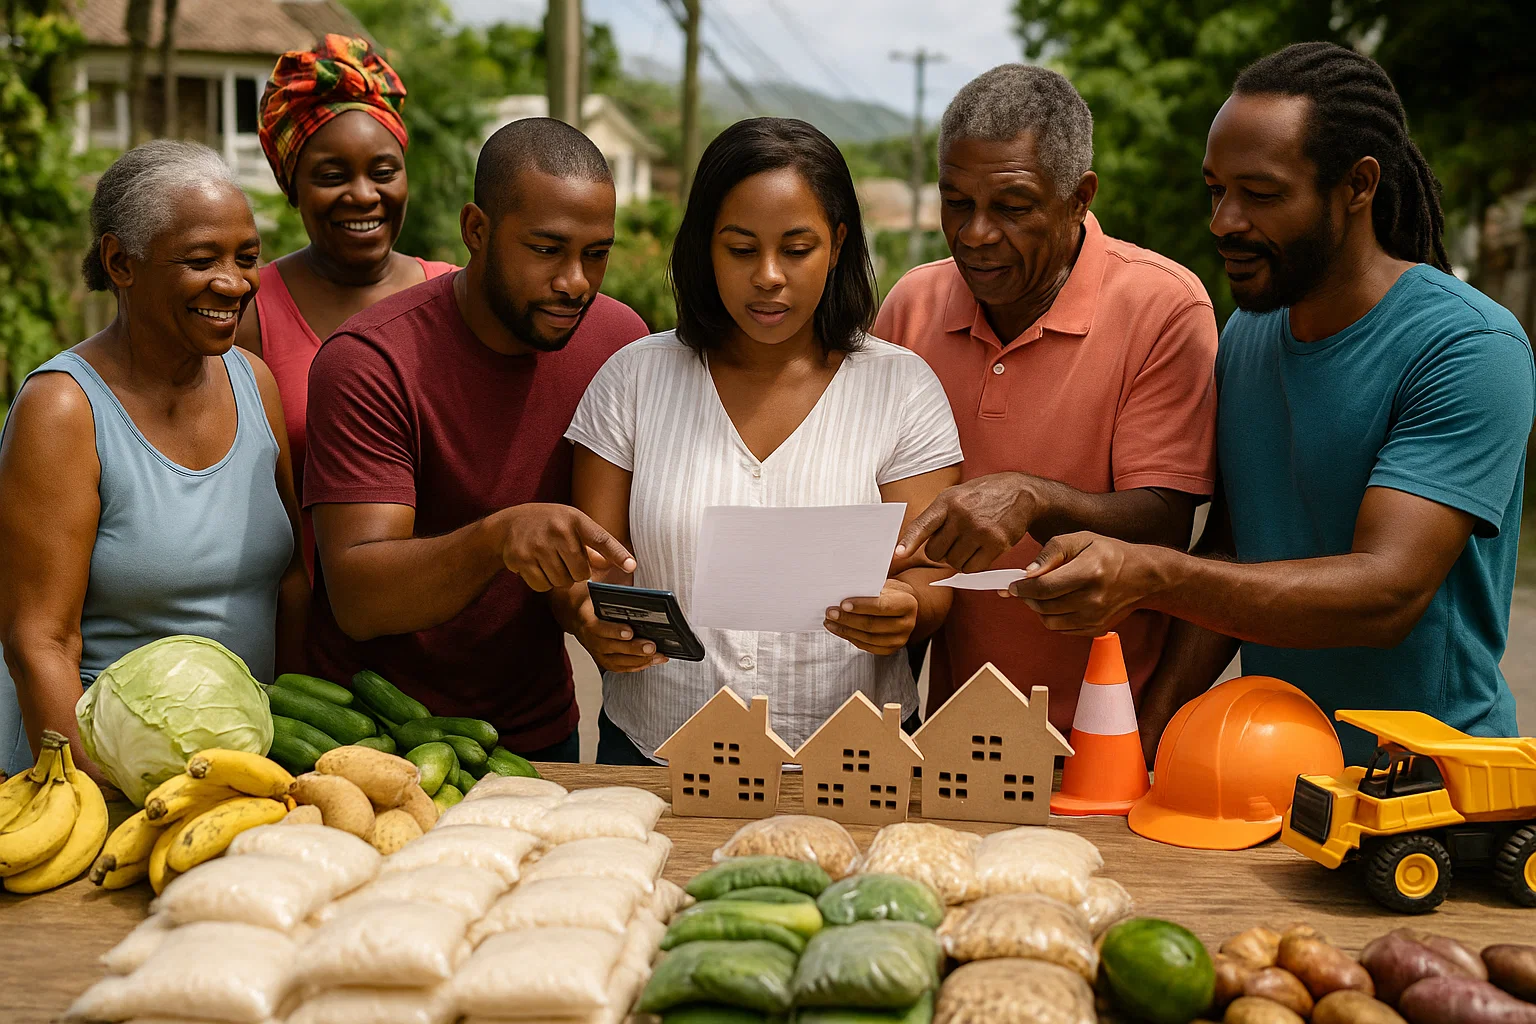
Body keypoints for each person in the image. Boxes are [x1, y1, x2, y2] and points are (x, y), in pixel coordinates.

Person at [1005, 43, 1535, 763]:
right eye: (1215, 189)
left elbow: (1386, 593)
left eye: (1260, 194)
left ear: (1358, 185)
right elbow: (1232, 554)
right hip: (1272, 773)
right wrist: (1146, 743)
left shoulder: (1469, 346)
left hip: (1430, 788)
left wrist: (1149, 573)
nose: (1223, 221)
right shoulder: (1248, 335)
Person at [560, 117, 964, 764]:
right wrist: (590, 620)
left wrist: (908, 607)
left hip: (851, 764)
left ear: (836, 244)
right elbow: (590, 568)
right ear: (704, 248)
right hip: (655, 752)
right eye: (741, 249)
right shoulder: (632, 380)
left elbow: (932, 578)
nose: (769, 276)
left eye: (797, 249)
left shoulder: (903, 389)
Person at [876, 65, 1220, 735]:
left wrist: (1036, 498)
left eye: (1011, 206)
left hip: (1108, 734)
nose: (975, 233)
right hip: (943, 738)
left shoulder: (1163, 307)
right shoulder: (911, 306)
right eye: (956, 202)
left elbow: (1166, 523)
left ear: (1078, 197)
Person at [303, 118, 649, 762]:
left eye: (595, 254)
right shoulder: (370, 361)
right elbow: (359, 596)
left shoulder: (618, 343)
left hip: (538, 734)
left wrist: (588, 617)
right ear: (477, 231)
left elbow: (587, 561)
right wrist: (498, 538)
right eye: (547, 249)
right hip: (371, 739)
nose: (575, 281)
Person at [0, 141, 307, 779]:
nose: (235, 282)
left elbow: (293, 581)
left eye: (247, 258)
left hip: (232, 766)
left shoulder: (253, 381)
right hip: (94, 768)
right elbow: (40, 642)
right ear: (121, 262)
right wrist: (88, 798)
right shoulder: (62, 409)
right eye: (202, 260)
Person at [238, 34, 455, 577]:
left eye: (383, 172)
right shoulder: (250, 316)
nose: (363, 195)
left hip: (458, 633)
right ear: (292, 187)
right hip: (309, 639)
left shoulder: (456, 297)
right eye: (332, 177)